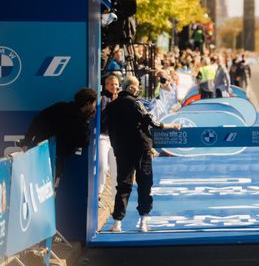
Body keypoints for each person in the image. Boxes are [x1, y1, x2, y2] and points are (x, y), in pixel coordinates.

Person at [106, 75, 181, 233]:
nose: (139, 89)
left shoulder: (111, 106)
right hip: (141, 149)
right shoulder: (136, 104)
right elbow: (153, 122)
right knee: (145, 184)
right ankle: (143, 221)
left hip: (121, 150)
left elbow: (106, 127)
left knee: (123, 184)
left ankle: (117, 222)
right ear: (132, 88)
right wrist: (171, 125)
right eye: (137, 87)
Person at [20, 88, 98, 185]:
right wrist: (87, 121)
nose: (94, 106)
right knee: (51, 188)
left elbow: (37, 121)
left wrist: (27, 140)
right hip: (56, 158)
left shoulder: (60, 107)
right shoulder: (80, 121)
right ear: (88, 103)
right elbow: (84, 142)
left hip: (40, 152)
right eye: (94, 103)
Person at [98, 75, 119, 199]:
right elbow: (104, 115)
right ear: (106, 85)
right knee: (103, 166)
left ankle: (115, 195)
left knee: (115, 167)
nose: (114, 87)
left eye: (116, 84)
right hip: (103, 137)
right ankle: (99, 192)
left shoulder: (119, 98)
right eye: (111, 84)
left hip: (115, 138)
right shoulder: (104, 98)